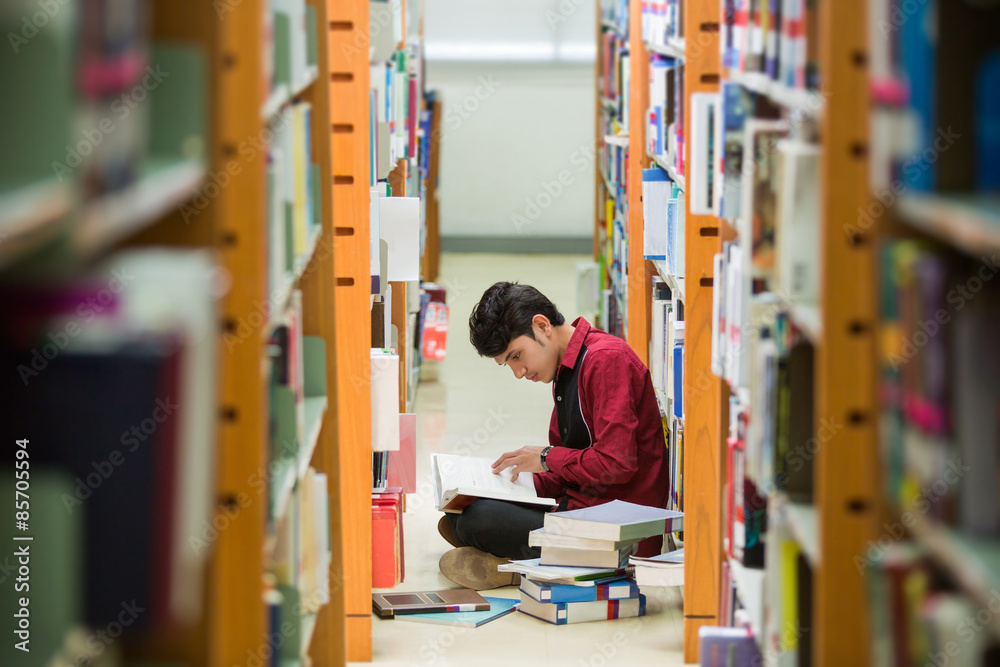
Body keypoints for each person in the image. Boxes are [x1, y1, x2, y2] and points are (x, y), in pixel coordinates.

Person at [437, 282, 671, 589]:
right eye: (508, 364)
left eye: (517, 356)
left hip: (616, 530)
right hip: (583, 505)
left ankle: (518, 568)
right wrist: (516, 482)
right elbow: (570, 468)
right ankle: (522, 561)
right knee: (463, 513)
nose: (518, 372)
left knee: (477, 521)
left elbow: (617, 463)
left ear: (542, 325)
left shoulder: (605, 361)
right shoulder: (566, 368)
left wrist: (546, 458)